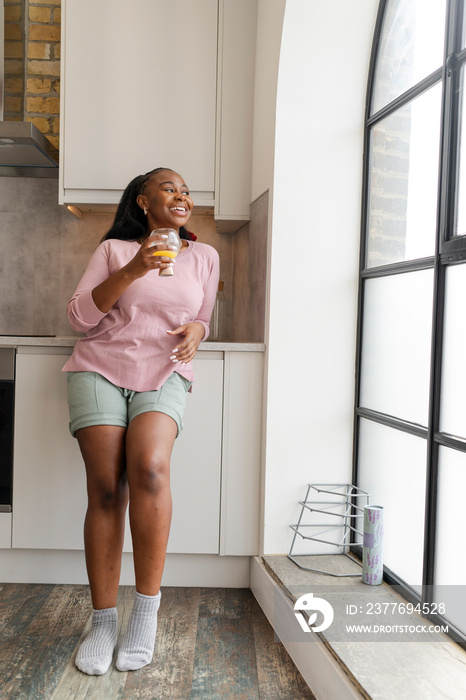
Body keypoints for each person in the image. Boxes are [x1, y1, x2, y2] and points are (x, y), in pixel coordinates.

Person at [62, 167, 220, 675]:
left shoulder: (205, 256)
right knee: (106, 486)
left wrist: (198, 329)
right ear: (143, 200)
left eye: (186, 190)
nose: (182, 195)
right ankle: (103, 621)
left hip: (165, 371)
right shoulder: (113, 251)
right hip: (100, 369)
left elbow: (204, 316)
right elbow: (79, 318)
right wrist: (133, 268)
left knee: (150, 470)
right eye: (170, 187)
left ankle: (144, 615)